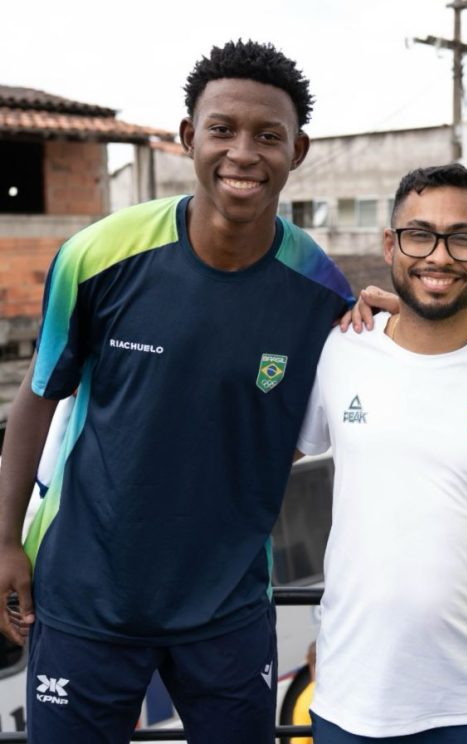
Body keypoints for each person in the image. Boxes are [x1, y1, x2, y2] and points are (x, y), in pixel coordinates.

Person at [0, 40, 353, 743]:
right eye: (222, 129)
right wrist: (5, 541)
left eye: (268, 136)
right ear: (189, 137)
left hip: (228, 608)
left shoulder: (322, 291)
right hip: (84, 600)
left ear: (299, 150)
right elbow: (38, 398)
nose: (243, 153)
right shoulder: (99, 256)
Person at [296, 164, 467, 744]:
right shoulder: (341, 348)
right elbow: (261, 462)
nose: (439, 255)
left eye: (462, 238)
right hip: (351, 702)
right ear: (390, 245)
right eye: (419, 234)